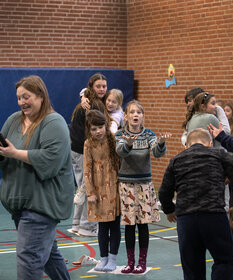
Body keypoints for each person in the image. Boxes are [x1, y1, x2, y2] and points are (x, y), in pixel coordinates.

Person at [0, 75, 74, 280]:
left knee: (29, 258)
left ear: (41, 96)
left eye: (27, 96)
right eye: (18, 97)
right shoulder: (14, 120)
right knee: (49, 255)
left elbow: (51, 161)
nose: (22, 102)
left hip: (41, 204)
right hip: (18, 204)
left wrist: (15, 154)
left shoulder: (53, 122)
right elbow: (4, 152)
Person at [159, 128, 233, 280]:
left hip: (187, 219)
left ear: (186, 145)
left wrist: (169, 210)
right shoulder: (218, 154)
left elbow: (164, 192)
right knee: (225, 260)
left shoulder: (176, 160)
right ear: (210, 144)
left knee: (192, 268)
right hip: (213, 215)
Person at [115, 99, 171, 274]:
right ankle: (130, 262)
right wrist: (129, 144)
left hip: (144, 184)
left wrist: (161, 143)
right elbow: (120, 152)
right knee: (129, 225)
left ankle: (142, 262)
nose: (135, 115)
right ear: (126, 116)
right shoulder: (120, 134)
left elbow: (157, 153)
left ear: (143, 116)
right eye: (132, 112)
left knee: (143, 225)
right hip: (126, 184)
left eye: (138, 112)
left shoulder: (148, 134)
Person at [68, 73, 109, 237]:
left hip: (76, 150)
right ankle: (87, 227)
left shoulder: (89, 102)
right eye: (98, 86)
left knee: (83, 188)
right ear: (92, 87)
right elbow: (95, 132)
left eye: (104, 86)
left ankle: (77, 224)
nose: (102, 89)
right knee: (89, 187)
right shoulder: (93, 105)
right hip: (83, 151)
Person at [83, 110, 121, 272]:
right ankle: (103, 258)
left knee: (115, 226)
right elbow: (87, 168)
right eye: (94, 129)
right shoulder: (88, 144)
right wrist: (90, 192)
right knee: (102, 227)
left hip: (115, 188)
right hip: (98, 191)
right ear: (89, 130)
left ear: (106, 125)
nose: (98, 131)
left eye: (100, 127)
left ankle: (112, 259)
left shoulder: (113, 139)